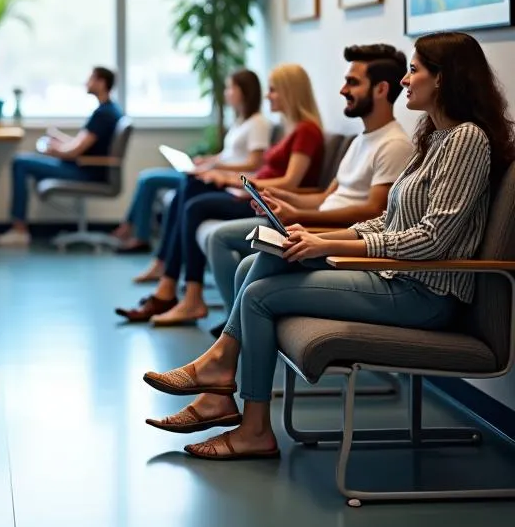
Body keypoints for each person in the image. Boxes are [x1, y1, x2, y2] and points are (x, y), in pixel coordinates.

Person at [142, 31, 515, 458]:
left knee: (260, 296)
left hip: (423, 293)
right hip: (394, 277)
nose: (405, 82)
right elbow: (386, 220)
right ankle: (223, 386)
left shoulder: (467, 140)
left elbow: (432, 239)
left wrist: (328, 246)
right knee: (254, 264)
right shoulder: (433, 139)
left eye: (414, 71)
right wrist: (319, 238)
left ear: (444, 79)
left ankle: (244, 414)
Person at [206, 45, 413, 314]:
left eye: (352, 82)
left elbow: (375, 211)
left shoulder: (394, 144)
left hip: (330, 235)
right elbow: (326, 197)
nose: (342, 90)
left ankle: (232, 336)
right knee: (227, 242)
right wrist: (281, 201)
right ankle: (234, 334)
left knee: (222, 239)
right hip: (312, 224)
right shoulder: (362, 139)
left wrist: (302, 216)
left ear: (381, 89)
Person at [117, 63, 323, 325]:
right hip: (257, 194)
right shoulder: (293, 130)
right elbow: (268, 172)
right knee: (190, 188)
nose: (268, 96)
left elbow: (291, 182)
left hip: (267, 202)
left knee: (194, 205)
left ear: (289, 92)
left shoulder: (306, 131)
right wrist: (229, 178)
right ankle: (171, 286)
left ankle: (182, 293)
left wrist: (234, 180)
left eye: (273, 90)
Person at [112, 69, 270, 256]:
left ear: (245, 91)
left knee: (156, 181)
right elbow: (229, 154)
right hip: (216, 174)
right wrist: (208, 160)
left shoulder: (258, 123)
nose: (226, 93)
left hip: (229, 182)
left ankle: (143, 240)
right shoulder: (241, 121)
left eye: (230, 88)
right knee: (153, 178)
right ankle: (145, 242)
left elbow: (254, 163)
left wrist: (213, 166)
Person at [0, 66, 123, 248]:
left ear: (101, 83)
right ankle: (19, 227)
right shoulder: (108, 110)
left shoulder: (104, 114)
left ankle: (19, 230)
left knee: (20, 162)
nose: (86, 82)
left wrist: (53, 150)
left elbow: (75, 151)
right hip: (84, 166)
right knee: (24, 161)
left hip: (86, 172)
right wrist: (59, 140)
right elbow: (82, 144)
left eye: (91, 78)